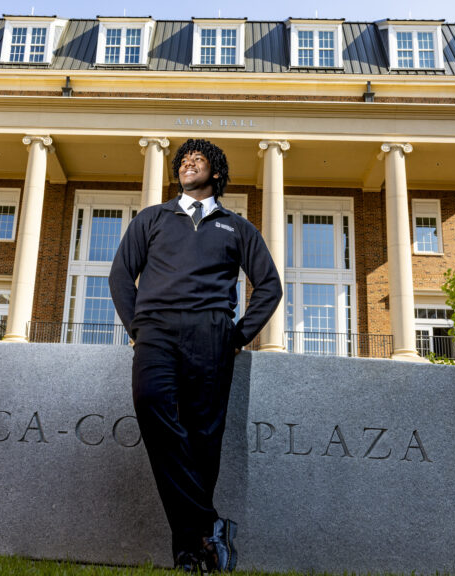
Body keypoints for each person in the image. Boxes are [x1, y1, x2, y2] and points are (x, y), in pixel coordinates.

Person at [109, 138, 282, 572]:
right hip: (157, 334)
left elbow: (269, 286)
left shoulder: (236, 227)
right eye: (183, 160)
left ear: (216, 173)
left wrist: (236, 336)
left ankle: (192, 552)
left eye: (198, 159)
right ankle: (209, 524)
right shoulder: (152, 219)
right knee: (152, 408)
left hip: (211, 336)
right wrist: (137, 327)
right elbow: (119, 276)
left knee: (204, 440)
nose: (188, 163)